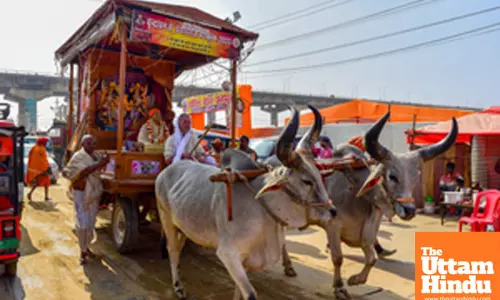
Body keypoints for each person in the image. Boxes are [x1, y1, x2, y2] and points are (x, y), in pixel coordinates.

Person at [63, 135, 110, 265]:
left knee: (91, 223)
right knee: (82, 223)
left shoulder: (96, 155)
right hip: (81, 193)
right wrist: (100, 164)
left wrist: (104, 162)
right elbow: (81, 172)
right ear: (83, 144)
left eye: (94, 143)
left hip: (94, 193)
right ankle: (83, 252)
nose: (92, 145)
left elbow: (100, 169)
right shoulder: (78, 157)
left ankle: (86, 247)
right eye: (89, 143)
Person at [347, 135, 397, 259]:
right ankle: (377, 250)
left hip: (364, 193)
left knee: (369, 223)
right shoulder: (350, 156)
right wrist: (369, 162)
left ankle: (378, 249)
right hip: (353, 194)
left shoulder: (361, 156)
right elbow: (354, 167)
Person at [26, 137, 52, 202]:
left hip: (36, 169)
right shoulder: (42, 149)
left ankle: (45, 196)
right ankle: (30, 194)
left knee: (44, 183)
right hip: (42, 170)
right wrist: (47, 167)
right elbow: (43, 160)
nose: (46, 143)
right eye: (45, 142)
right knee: (42, 183)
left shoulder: (34, 148)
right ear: (43, 142)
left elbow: (31, 158)